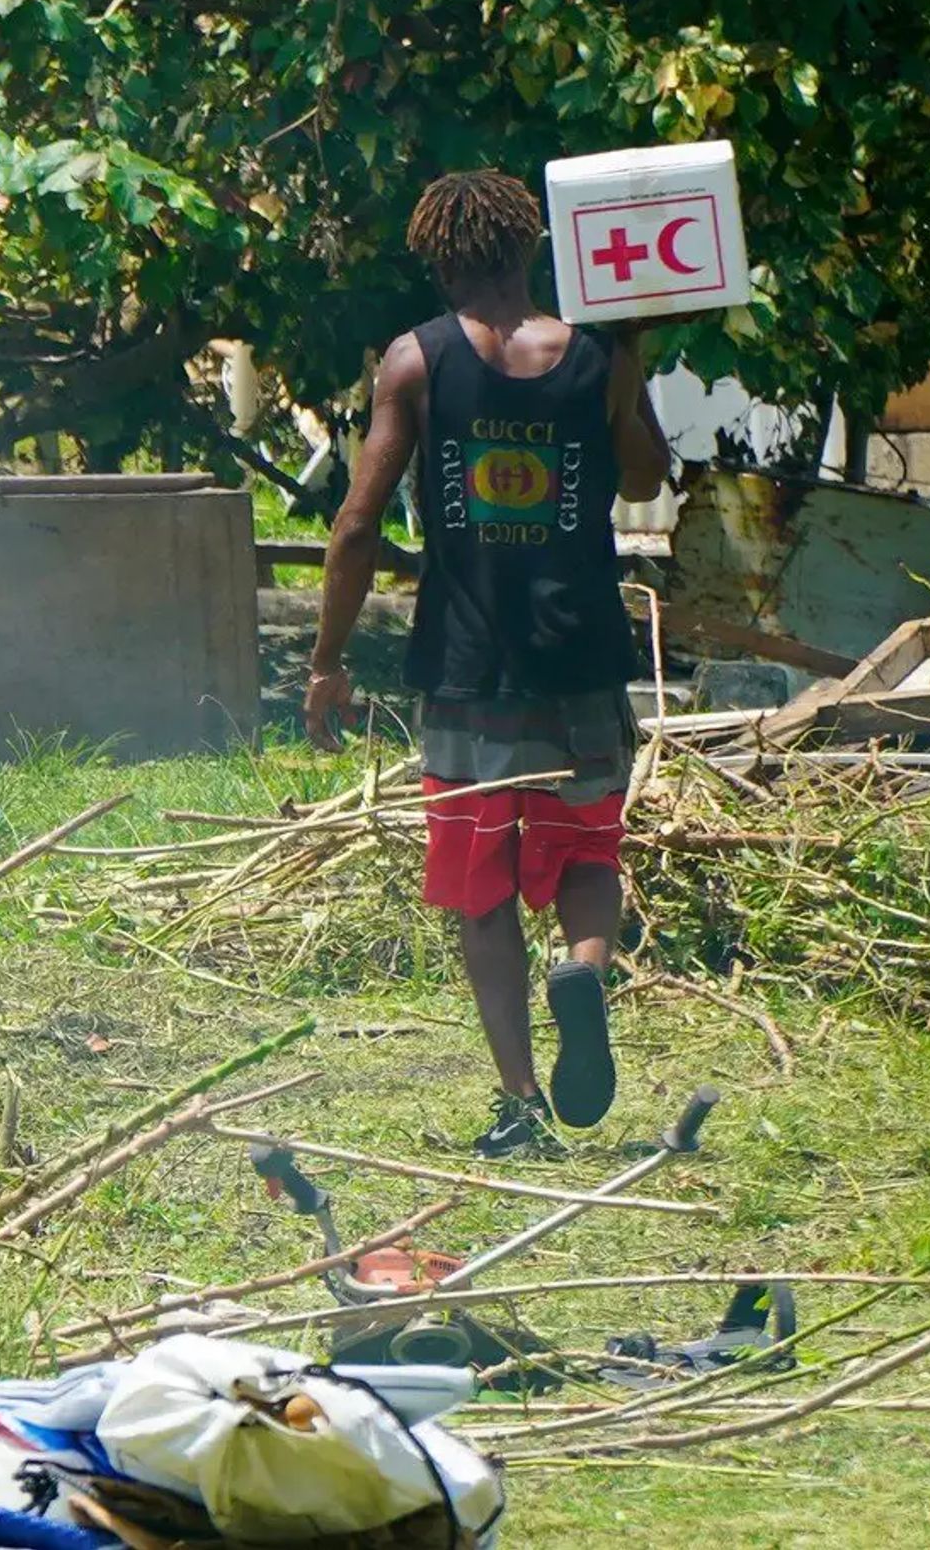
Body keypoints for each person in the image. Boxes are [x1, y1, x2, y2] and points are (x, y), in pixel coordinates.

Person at [304, 170, 672, 1157]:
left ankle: (521, 1102)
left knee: (482, 889)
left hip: (467, 668)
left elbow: (355, 523)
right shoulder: (591, 355)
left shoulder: (415, 362)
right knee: (589, 847)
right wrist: (625, 376)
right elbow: (644, 478)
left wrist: (327, 661)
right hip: (583, 657)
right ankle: (584, 966)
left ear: (436, 257)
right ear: (530, 250)